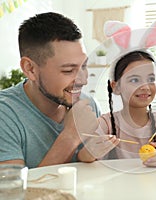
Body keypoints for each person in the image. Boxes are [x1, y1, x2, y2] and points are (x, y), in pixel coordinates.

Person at [82, 10, 156, 167]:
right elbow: (83, 156)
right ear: (115, 87)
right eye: (134, 79)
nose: (145, 86)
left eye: (150, 79)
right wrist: (90, 152)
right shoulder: (106, 123)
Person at [0, 12, 102, 168]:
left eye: (84, 67)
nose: (83, 80)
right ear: (31, 69)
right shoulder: (5, 114)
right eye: (68, 70)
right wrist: (70, 136)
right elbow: (13, 191)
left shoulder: (89, 105)